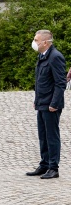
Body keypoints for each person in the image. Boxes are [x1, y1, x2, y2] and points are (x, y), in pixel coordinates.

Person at [26, 30, 66, 179]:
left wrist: (54, 103)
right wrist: (37, 100)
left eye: (36, 40)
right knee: (43, 135)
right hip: (42, 102)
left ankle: (53, 167)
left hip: (51, 104)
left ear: (45, 42)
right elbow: (41, 81)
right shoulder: (42, 56)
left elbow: (60, 83)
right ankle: (44, 164)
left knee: (52, 136)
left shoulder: (55, 57)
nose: (34, 42)